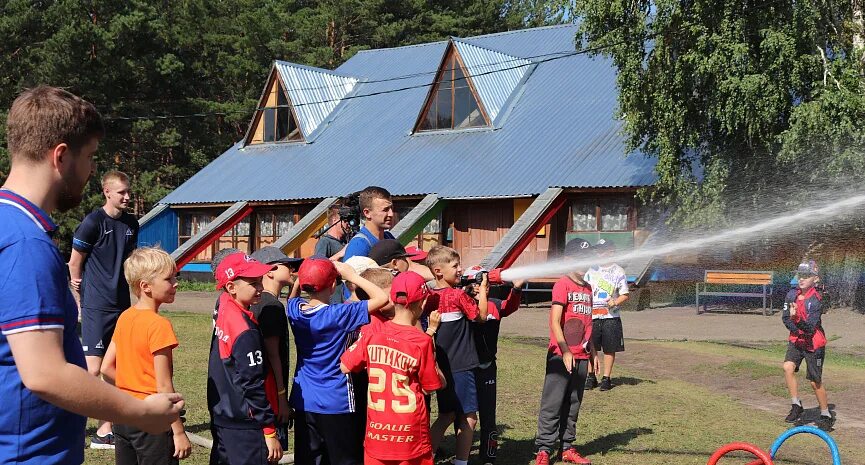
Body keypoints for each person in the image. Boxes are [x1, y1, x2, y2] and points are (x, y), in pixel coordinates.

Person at [0, 85, 182, 465]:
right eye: (90, 157)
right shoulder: (25, 243)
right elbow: (45, 374)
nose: (91, 171)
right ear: (61, 156)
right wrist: (141, 413)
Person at [287, 258, 389, 465]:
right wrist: (353, 276)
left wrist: (304, 275)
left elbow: (292, 297)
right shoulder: (339, 314)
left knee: (309, 458)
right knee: (343, 457)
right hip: (338, 399)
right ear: (334, 286)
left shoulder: (295, 311)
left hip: (305, 398)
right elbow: (382, 297)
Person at [340, 271, 445, 465]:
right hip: (410, 435)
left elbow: (345, 366)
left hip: (377, 432)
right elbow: (431, 386)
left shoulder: (372, 334)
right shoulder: (421, 342)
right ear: (422, 304)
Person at [100, 247, 192, 465]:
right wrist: (178, 432)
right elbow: (163, 386)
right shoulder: (159, 325)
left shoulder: (125, 317)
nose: (175, 283)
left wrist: (131, 390)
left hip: (124, 415)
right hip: (153, 419)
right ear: (145, 286)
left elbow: (106, 368)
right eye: (168, 279)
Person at [68, 169, 139, 447]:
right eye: (122, 192)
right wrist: (79, 299)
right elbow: (75, 263)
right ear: (107, 192)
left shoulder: (132, 223)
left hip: (122, 304)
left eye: (128, 191)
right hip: (96, 305)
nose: (127, 197)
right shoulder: (92, 222)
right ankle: (72, 426)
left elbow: (131, 262)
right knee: (92, 368)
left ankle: (104, 430)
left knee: (115, 366)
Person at [208, 252, 283, 465]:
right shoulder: (245, 331)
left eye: (260, 281)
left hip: (223, 415)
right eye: (253, 283)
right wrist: (269, 432)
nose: (260, 287)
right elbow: (252, 384)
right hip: (246, 425)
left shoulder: (223, 305)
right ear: (231, 287)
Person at [424, 246, 488, 465]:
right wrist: (483, 293)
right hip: (462, 366)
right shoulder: (458, 294)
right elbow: (480, 316)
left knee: (447, 414)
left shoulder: (431, 297)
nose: (460, 269)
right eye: (455, 266)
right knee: (469, 417)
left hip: (442, 366)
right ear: (438, 271)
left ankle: (425, 456)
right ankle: (460, 462)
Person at [534, 239, 595, 465]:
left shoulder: (588, 288)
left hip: (582, 356)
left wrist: (593, 353)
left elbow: (588, 323)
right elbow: (555, 321)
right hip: (561, 356)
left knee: (573, 403)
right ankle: (544, 449)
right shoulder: (562, 284)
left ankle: (567, 447)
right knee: (552, 403)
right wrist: (565, 350)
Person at [462, 266, 525, 465]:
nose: (485, 288)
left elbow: (509, 307)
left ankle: (488, 455)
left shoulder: (495, 305)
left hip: (488, 366)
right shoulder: (462, 304)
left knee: (488, 414)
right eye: (481, 284)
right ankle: (461, 451)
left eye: (487, 284)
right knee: (463, 414)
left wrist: (516, 289)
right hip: (466, 368)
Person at [249, 246, 304, 447]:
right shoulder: (272, 306)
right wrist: (282, 398)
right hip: (270, 392)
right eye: (286, 265)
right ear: (269, 271)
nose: (292, 269)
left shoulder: (256, 300)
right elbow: (273, 355)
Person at [781, 259, 834, 431]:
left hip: (814, 343)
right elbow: (785, 318)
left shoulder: (817, 300)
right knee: (788, 367)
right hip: (797, 339)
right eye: (799, 275)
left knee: (814, 382)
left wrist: (797, 320)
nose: (801, 279)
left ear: (815, 279)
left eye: (806, 276)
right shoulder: (791, 295)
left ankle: (826, 414)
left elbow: (811, 328)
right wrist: (794, 327)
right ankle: (796, 405)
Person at [583, 239, 628, 392]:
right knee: (590, 346)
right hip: (592, 316)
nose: (599, 253)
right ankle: (591, 376)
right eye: (598, 250)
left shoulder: (618, 271)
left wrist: (614, 302)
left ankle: (606, 378)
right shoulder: (591, 270)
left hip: (611, 317)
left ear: (611, 251)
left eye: (602, 250)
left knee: (609, 348)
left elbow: (624, 294)